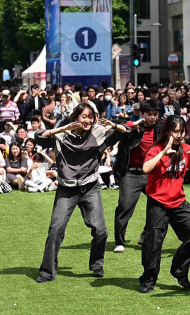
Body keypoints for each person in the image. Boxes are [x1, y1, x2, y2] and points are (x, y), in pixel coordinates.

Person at [35, 103, 129, 283]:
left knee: (100, 230)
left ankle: (96, 264)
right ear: (76, 117)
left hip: (90, 188)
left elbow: (128, 133)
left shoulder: (99, 132)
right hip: (66, 189)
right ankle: (47, 272)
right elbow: (38, 137)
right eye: (83, 116)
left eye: (90, 116)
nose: (87, 120)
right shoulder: (62, 134)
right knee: (56, 229)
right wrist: (63, 128)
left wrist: (114, 125)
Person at [138, 116, 190, 293]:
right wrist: (163, 153)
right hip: (158, 203)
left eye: (182, 131)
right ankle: (148, 280)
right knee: (153, 243)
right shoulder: (156, 149)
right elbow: (146, 168)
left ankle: (179, 269)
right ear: (167, 132)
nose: (179, 135)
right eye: (175, 131)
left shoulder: (185, 149)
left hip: (179, 202)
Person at [113, 99, 162, 253]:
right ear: (142, 114)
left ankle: (146, 234)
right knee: (124, 206)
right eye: (149, 114)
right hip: (131, 174)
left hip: (152, 175)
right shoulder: (133, 127)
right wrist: (129, 125)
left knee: (158, 207)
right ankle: (120, 242)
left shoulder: (162, 128)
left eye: (155, 114)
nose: (153, 117)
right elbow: (111, 123)